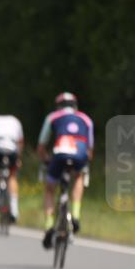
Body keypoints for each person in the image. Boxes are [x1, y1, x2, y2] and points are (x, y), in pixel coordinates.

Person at [37, 92, 93, 249]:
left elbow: (41, 146)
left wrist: (46, 160)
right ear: (75, 105)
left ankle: (49, 226)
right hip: (80, 153)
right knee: (79, 178)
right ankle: (75, 215)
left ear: (58, 106)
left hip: (60, 152)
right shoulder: (86, 119)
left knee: (49, 190)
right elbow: (90, 150)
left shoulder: (53, 117)